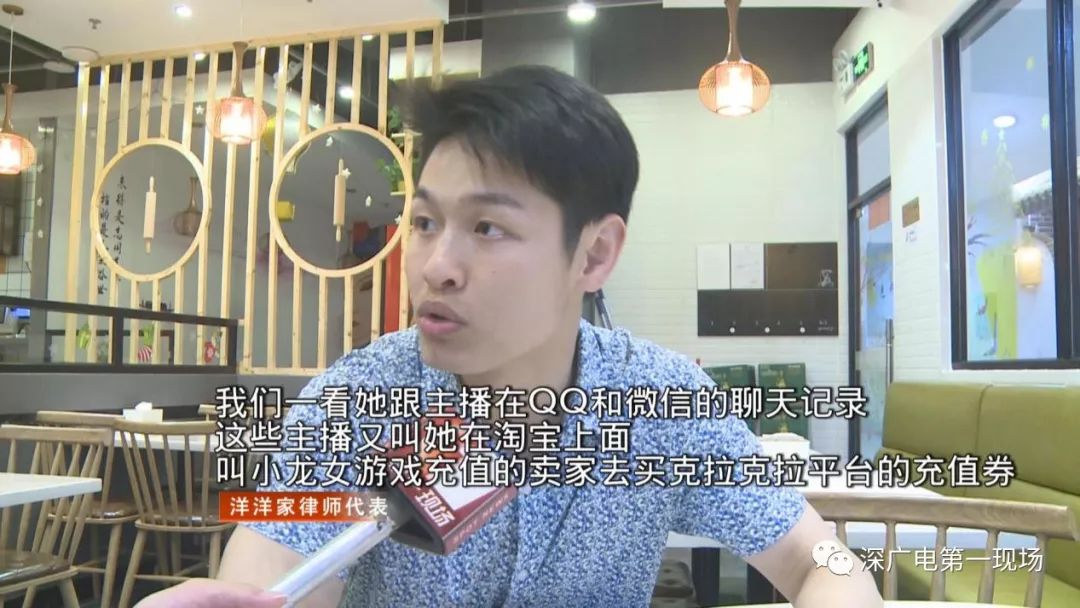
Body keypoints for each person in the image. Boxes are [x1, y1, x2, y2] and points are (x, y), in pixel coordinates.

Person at [136, 65, 882, 608]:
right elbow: (272, 568)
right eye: (424, 222)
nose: (436, 265)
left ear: (594, 255)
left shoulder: (660, 402)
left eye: (487, 227)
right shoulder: (359, 399)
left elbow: (819, 559)